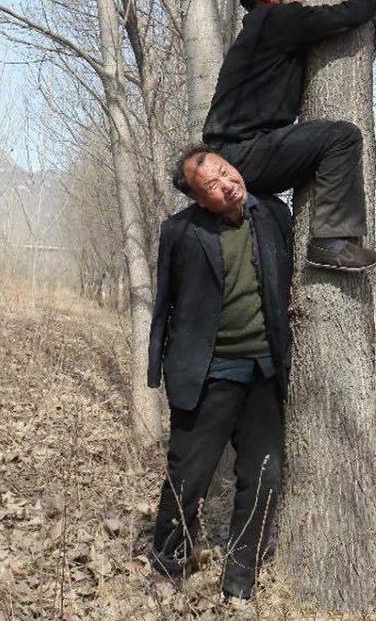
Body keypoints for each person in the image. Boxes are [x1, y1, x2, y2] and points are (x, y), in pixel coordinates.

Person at [147, 145, 293, 600]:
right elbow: (164, 304)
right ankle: (168, 565)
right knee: (188, 477)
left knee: (263, 476)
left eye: (227, 173)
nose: (227, 186)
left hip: (263, 371)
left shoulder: (272, 214)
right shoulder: (180, 232)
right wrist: (157, 370)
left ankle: (239, 581)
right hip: (208, 374)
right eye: (212, 184)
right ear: (196, 197)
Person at [202, 0, 376, 272]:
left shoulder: (271, 36)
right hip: (241, 153)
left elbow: (333, 57)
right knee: (341, 137)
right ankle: (329, 243)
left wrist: (375, 38)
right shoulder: (273, 20)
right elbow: (337, 16)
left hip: (239, 156)